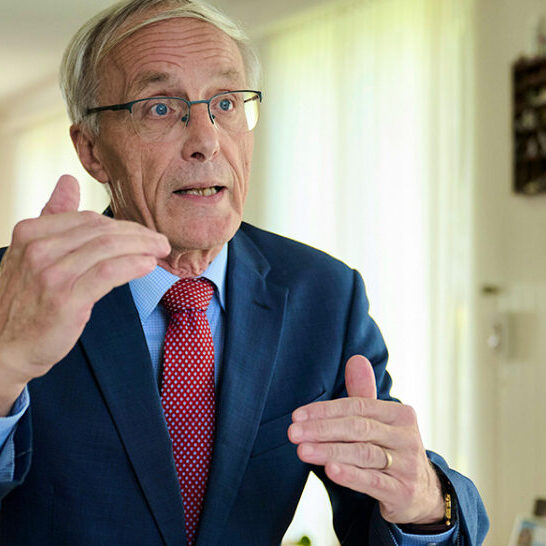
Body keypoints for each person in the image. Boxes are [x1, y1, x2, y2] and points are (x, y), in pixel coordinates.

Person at [0, 0, 488, 544]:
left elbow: (380, 505)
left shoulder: (324, 295)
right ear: (92, 149)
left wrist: (424, 503)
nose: (206, 141)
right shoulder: (15, 290)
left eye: (226, 103)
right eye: (160, 108)